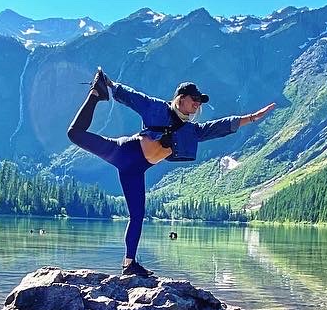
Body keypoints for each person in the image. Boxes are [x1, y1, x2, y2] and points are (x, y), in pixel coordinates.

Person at [68, 68, 275, 277]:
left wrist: (251, 118)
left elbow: (218, 127)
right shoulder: (158, 109)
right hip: (120, 151)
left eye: (200, 102)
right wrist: (111, 86)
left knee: (137, 216)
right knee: (74, 134)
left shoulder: (191, 131)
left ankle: (129, 264)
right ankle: (96, 94)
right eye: (194, 99)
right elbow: (135, 98)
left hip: (135, 171)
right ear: (180, 98)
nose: (197, 104)